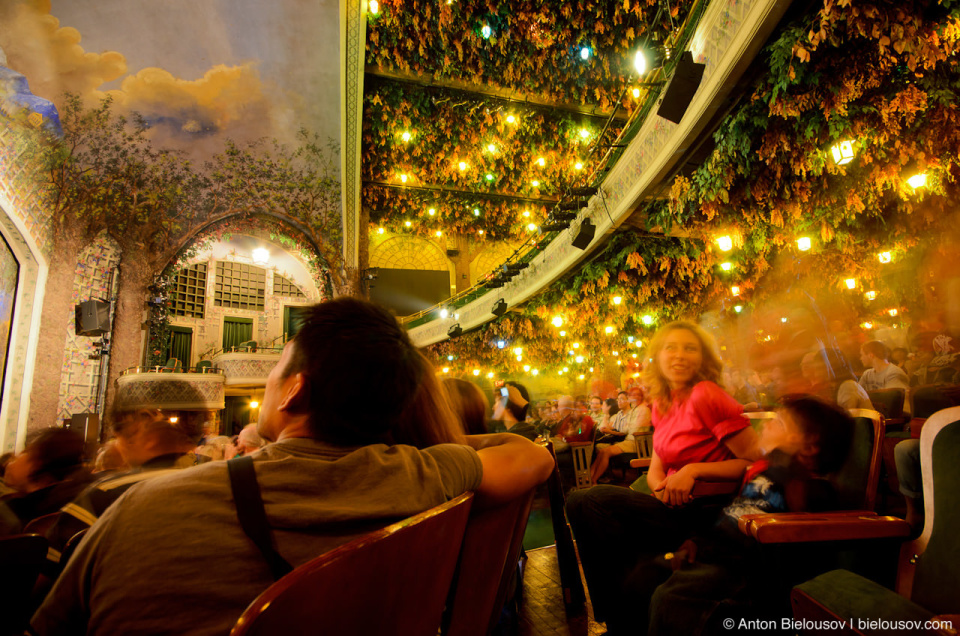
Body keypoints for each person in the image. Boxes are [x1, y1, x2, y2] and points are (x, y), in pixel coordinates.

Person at [33, 298, 554, 635]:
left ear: (296, 389)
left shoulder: (138, 509)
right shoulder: (425, 475)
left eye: (277, 370)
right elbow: (530, 453)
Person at [566, 320, 760, 635]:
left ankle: (625, 618)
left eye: (690, 348)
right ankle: (621, 616)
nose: (679, 355)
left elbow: (753, 461)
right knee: (582, 503)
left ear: (703, 359)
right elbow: (658, 463)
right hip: (675, 507)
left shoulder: (706, 394)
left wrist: (694, 470)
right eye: (671, 347)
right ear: (657, 357)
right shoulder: (663, 404)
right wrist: (661, 489)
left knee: (589, 501)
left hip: (711, 511)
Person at [647, 396, 855, 636]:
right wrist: (697, 543)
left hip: (747, 576)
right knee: (649, 574)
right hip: (717, 554)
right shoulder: (765, 474)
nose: (766, 425)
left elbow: (798, 552)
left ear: (809, 446)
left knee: (671, 598)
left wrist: (784, 465)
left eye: (779, 423)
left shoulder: (812, 489)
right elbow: (732, 516)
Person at [0, 427, 93, 535]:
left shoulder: (10, 515)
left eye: (24, 452)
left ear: (37, 464)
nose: (8, 462)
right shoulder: (81, 503)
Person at [590, 386, 652, 483]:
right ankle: (589, 476)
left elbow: (635, 429)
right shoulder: (634, 410)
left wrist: (614, 431)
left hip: (637, 443)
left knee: (606, 452)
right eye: (633, 395)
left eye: (638, 394)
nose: (635, 397)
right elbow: (626, 429)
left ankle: (593, 479)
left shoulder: (643, 409)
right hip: (629, 440)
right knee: (602, 451)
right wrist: (612, 431)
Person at [800, 348, 872, 410]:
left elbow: (844, 418)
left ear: (830, 368)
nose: (816, 372)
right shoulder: (836, 387)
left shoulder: (847, 387)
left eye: (818, 368)